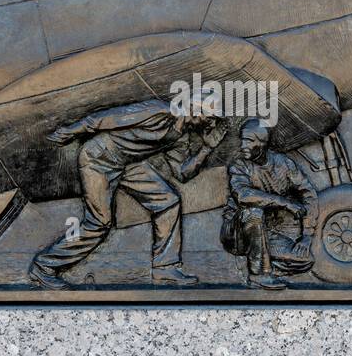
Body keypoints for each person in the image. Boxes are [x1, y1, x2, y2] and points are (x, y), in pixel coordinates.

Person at [28, 98, 226, 289]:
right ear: (194, 108)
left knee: (168, 202)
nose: (211, 122)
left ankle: (165, 268)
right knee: (99, 222)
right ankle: (44, 266)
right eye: (210, 116)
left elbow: (182, 174)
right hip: (99, 158)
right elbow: (109, 117)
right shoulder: (159, 111)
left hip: (128, 164)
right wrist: (71, 130)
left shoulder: (181, 137)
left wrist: (206, 149)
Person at [221, 119, 318, 290]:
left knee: (305, 259)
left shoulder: (284, 164)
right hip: (237, 234)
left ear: (263, 143)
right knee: (253, 212)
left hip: (268, 234)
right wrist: (284, 203)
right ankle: (258, 274)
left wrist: (308, 235)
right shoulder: (239, 166)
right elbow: (243, 195)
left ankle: (265, 264)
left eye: (249, 141)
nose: (243, 145)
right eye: (242, 139)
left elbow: (308, 193)